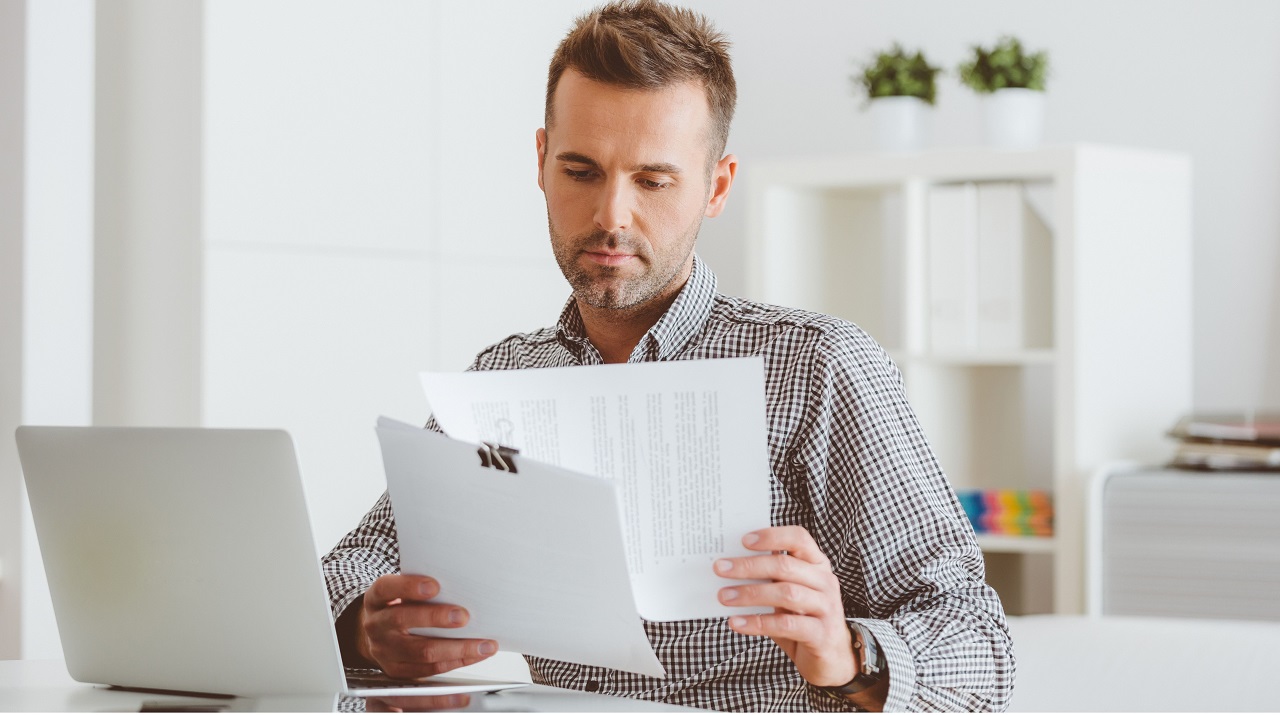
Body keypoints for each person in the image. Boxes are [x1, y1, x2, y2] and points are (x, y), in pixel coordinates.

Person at [322, 1, 1015, 711]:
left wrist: (851, 654)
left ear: (716, 186)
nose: (612, 216)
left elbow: (981, 651)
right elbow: (349, 568)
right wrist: (364, 630)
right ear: (540, 162)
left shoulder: (818, 367)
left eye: (653, 181)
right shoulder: (505, 379)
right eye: (581, 170)